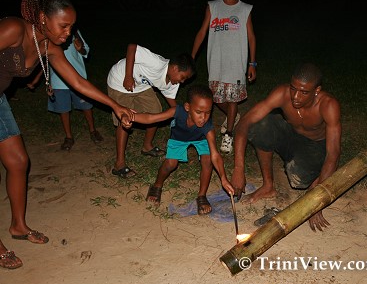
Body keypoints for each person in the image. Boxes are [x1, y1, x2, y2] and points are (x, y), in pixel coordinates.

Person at [0, 0, 133, 269]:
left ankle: (18, 226)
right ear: (42, 19)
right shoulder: (13, 28)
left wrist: (115, 105)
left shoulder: (48, 46)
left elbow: (77, 82)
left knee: (18, 162)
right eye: (63, 25)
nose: (68, 32)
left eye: (71, 27)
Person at [231, 63, 342, 232]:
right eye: (293, 88)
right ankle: (268, 186)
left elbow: (333, 154)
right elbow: (244, 123)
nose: (296, 96)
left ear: (317, 90)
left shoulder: (328, 105)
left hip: (314, 146)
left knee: (298, 180)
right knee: (259, 127)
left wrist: (316, 201)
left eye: (304, 92)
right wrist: (238, 168)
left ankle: (315, 178)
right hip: (291, 134)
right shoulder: (282, 94)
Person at [123, 84, 234, 214]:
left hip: (200, 138)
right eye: (198, 112)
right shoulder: (178, 111)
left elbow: (215, 155)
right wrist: (131, 117)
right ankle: (157, 185)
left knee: (208, 159)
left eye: (208, 112)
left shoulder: (207, 128)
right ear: (188, 107)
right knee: (171, 164)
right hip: (179, 137)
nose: (203, 118)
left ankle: (202, 195)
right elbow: (151, 118)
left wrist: (223, 178)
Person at [107, 45, 195, 178]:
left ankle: (147, 146)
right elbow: (132, 48)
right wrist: (128, 76)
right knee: (125, 119)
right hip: (120, 80)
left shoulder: (172, 83)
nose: (182, 82)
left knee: (156, 111)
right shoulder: (157, 63)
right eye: (182, 77)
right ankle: (119, 164)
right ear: (175, 68)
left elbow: (173, 106)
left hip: (141, 86)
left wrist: (185, 117)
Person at [191, 0, 257, 154]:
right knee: (215, 97)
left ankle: (229, 134)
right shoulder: (212, 6)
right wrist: (192, 57)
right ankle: (233, 116)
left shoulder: (245, 9)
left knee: (232, 99)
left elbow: (251, 37)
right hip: (216, 62)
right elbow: (202, 32)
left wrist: (252, 63)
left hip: (236, 63)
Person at [47, 28, 103, 151]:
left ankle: (93, 130)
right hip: (58, 80)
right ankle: (68, 137)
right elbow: (44, 58)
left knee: (87, 106)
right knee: (63, 110)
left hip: (78, 78)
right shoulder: (50, 34)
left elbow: (86, 50)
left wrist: (80, 49)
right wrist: (48, 81)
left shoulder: (74, 32)